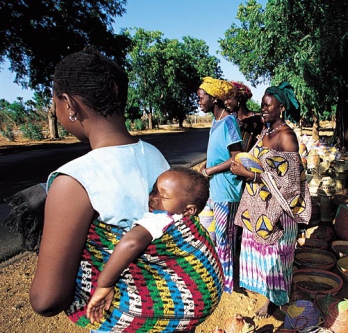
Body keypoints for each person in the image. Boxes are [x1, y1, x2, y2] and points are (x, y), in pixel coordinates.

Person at [29, 48, 222, 333]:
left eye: (55, 101)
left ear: (69, 104)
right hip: (173, 315)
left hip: (133, 321)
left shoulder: (73, 180)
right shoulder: (155, 156)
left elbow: (46, 300)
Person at [86, 167, 222, 327]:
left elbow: (131, 243)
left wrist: (104, 284)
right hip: (207, 299)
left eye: (163, 196)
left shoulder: (161, 219)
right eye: (154, 191)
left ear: (188, 210)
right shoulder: (189, 222)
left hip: (190, 300)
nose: (153, 198)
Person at [230, 81, 312, 318]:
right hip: (258, 209)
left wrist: (251, 175)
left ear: (281, 108)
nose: (263, 109)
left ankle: (272, 299)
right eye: (262, 105)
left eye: (268, 106)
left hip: (276, 212)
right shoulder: (267, 131)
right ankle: (265, 293)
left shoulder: (286, 137)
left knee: (276, 257)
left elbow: (290, 184)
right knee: (262, 258)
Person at [197, 77, 243, 293]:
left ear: (214, 98)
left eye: (201, 97)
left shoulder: (229, 122)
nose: (199, 101)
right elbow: (217, 154)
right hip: (214, 188)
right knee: (214, 234)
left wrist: (209, 170)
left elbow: (236, 158)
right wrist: (208, 163)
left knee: (226, 236)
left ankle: (228, 285)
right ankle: (220, 276)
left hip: (226, 190)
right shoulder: (215, 123)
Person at [225, 81, 263, 152]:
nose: (225, 102)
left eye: (228, 98)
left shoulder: (258, 119)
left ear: (239, 99)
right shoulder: (229, 120)